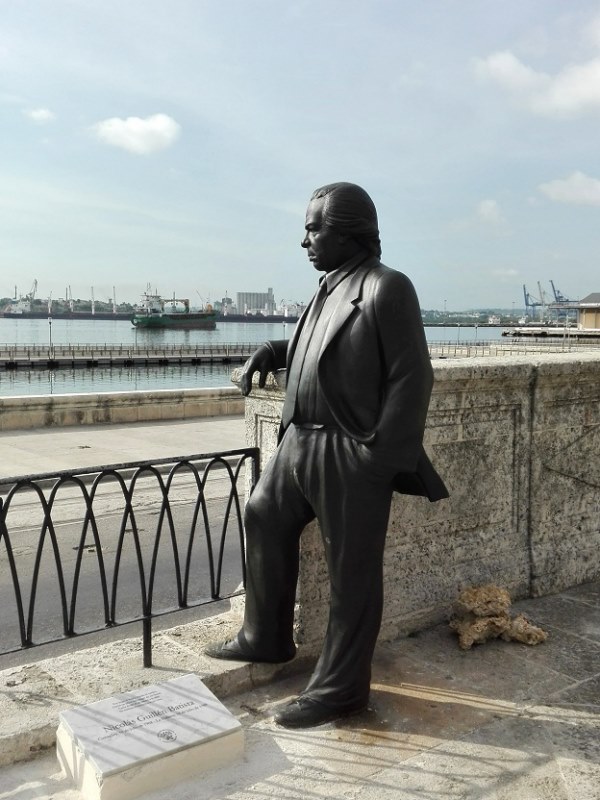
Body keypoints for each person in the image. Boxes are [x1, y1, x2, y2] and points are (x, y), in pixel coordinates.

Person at [206, 182, 448, 728]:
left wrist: (379, 457)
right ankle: (264, 636)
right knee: (263, 514)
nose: (305, 240)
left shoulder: (388, 288)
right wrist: (273, 350)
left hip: (348, 448)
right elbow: (318, 345)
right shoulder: (326, 289)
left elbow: (413, 375)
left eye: (315, 228)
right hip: (300, 440)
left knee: (352, 570)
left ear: (351, 232)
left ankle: (341, 689)